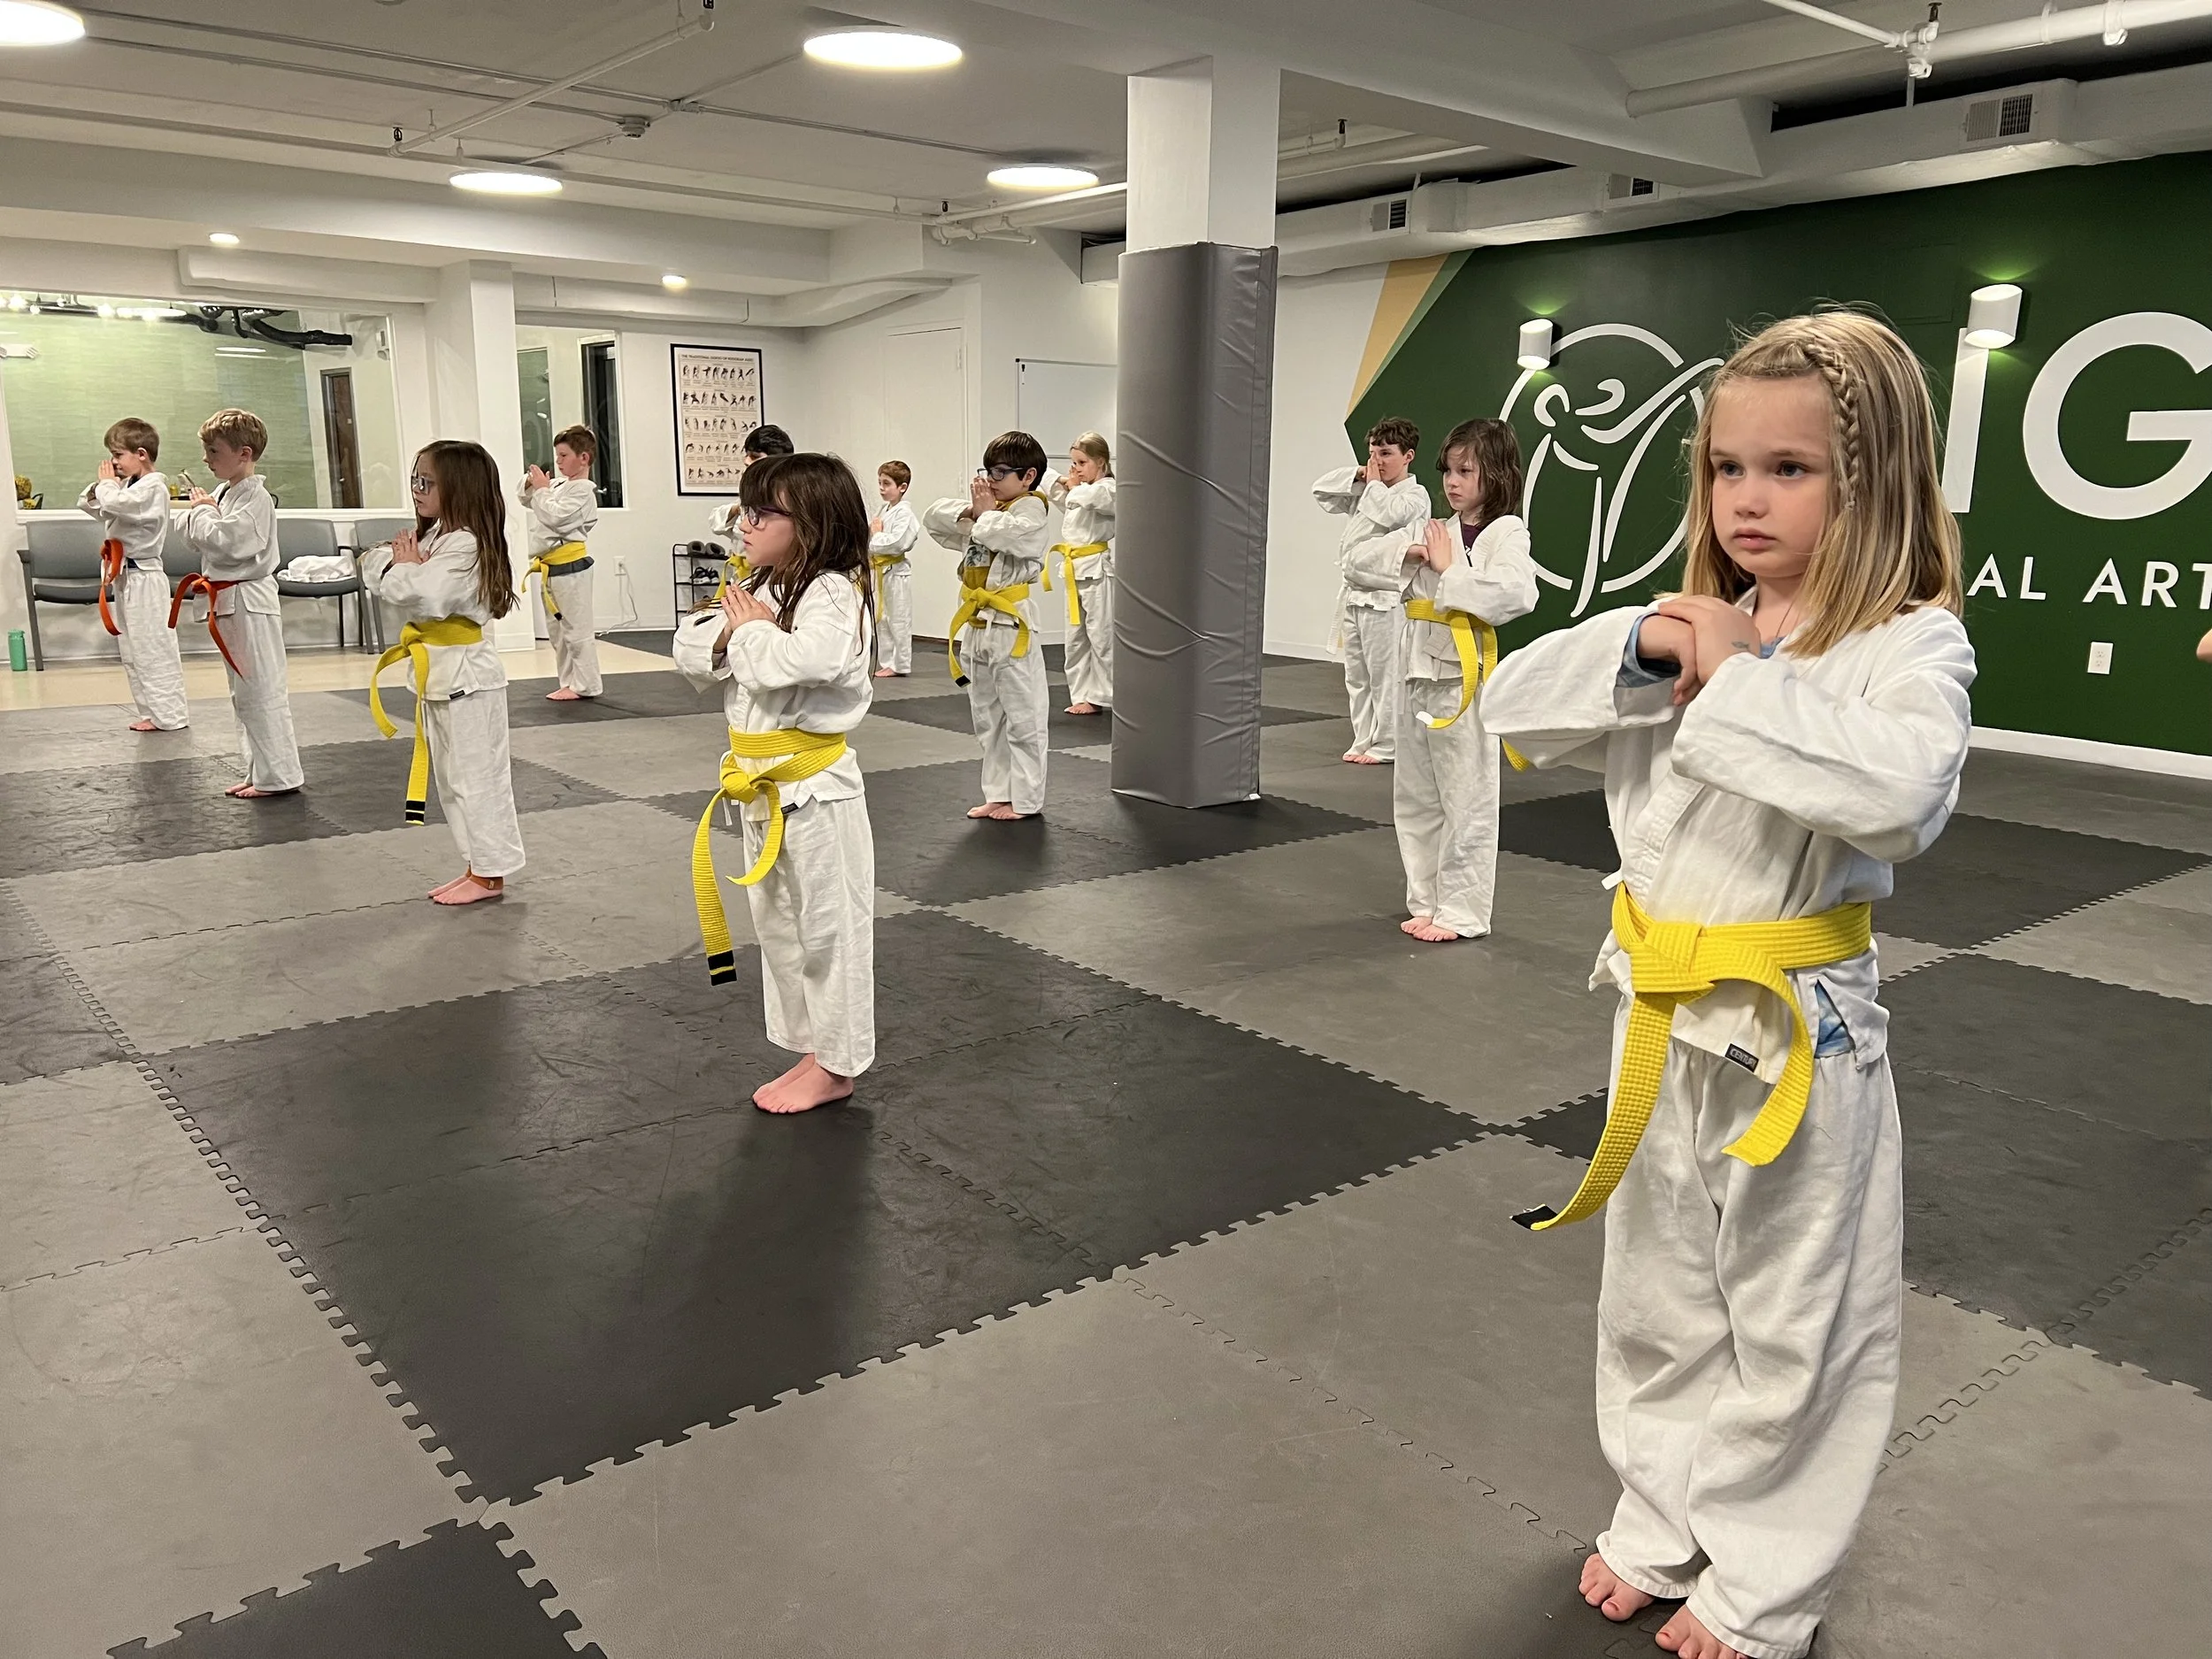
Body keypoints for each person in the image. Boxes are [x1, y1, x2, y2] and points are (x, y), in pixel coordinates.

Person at [1482, 311, 1975, 1659]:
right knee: (1656, 1298)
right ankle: (1658, 1520)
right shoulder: (1707, 616)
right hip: (1665, 1016)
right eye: (1724, 469)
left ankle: (1761, 1582)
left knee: (1795, 1318)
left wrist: (1740, 680)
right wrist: (1652, 649)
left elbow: (1901, 795)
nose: (1747, 499)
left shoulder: (1910, 644)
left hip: (1799, 1042)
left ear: (1871, 480)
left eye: (1790, 469)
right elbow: (1511, 707)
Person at [673, 453, 875, 1115]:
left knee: (829, 929)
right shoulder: (764, 585)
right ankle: (813, 1048)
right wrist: (745, 633)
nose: (746, 523)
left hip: (817, 788)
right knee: (783, 926)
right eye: (745, 510)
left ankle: (840, 1062)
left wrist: (750, 636)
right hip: (762, 789)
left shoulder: (834, 591)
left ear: (811, 521)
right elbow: (691, 643)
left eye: (763, 512)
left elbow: (806, 659)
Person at [362, 442, 526, 906]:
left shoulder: (467, 543)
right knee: (453, 781)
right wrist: (406, 565)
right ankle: (477, 866)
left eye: (426, 482)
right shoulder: (436, 539)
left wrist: (408, 568)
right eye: (415, 480)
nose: (416, 490)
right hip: (439, 675)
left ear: (459, 487)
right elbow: (373, 562)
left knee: (479, 779)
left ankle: (491, 873)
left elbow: (425, 595)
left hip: (468, 680)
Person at [1394, 419, 1539, 942]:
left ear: (1495, 474)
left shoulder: (1507, 532)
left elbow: (1518, 595)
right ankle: (1426, 900)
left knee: (1466, 798)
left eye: (1465, 471)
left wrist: (1450, 572)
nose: (1452, 482)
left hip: (1464, 678)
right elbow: (1360, 565)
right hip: (1415, 671)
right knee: (1416, 796)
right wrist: (1405, 555)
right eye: (1448, 471)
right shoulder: (1437, 528)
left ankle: (1462, 911)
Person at [173, 408, 303, 797]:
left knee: (261, 689)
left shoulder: (257, 498)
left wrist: (203, 516)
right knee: (243, 694)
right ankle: (258, 770)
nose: (206, 459)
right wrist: (203, 513)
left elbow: (227, 542)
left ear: (244, 453)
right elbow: (191, 530)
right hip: (229, 599)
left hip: (250, 600)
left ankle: (278, 777)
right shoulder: (225, 492)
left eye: (214, 451)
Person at [922, 431, 1052, 820]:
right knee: (987, 716)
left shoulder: (1031, 509)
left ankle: (1025, 799)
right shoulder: (990, 510)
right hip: (977, 625)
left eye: (1000, 472)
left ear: (1028, 476)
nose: (991, 480)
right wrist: (975, 511)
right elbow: (934, 518)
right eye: (988, 471)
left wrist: (982, 514)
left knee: (1023, 717)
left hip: (1012, 625)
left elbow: (1017, 539)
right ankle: (999, 793)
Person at [1315, 416, 1430, 764]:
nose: (1377, 461)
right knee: (1357, 675)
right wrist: (1360, 475)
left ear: (1408, 456)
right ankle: (1362, 737)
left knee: (1386, 676)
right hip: (1353, 595)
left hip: (1386, 598)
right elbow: (1321, 490)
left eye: (1385, 453)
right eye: (1372, 453)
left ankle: (1387, 744)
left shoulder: (1415, 497)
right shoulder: (1369, 487)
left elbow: (1392, 515)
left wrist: (1374, 484)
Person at [79, 417, 188, 733]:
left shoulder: (153, 487)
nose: (113, 462)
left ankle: (171, 715)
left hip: (145, 577)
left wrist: (108, 486)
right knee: (132, 649)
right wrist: (106, 484)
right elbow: (94, 507)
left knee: (153, 647)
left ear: (141, 453)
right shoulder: (129, 486)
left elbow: (117, 504)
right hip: (126, 576)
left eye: (118, 455)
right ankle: (152, 712)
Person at [518, 424, 603, 702]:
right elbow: (524, 497)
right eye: (557, 455)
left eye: (564, 455)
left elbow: (555, 517)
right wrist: (533, 484)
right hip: (550, 569)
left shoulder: (583, 494)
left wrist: (541, 491)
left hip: (571, 567)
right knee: (558, 632)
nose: (558, 461)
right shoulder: (557, 485)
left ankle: (587, 684)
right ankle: (569, 682)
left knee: (577, 631)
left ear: (584, 458)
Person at [1046, 432, 1118, 715]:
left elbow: (1089, 497)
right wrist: (1067, 481)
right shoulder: (1079, 490)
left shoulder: (1108, 489)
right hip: (1073, 571)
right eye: (1073, 462)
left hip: (1097, 571)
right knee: (1076, 638)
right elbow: (1047, 481)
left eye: (1082, 462)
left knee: (1102, 637)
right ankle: (1081, 694)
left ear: (1100, 462)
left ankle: (1106, 695)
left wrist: (1073, 486)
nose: (1075, 469)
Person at [707, 424, 795, 595]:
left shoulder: (789, 502)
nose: (746, 461)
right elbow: (717, 522)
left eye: (754, 456)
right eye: (746, 454)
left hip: (772, 580)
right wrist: (735, 510)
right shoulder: (746, 499)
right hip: (741, 579)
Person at [869, 459, 919, 678]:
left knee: (898, 619)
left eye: (886, 483)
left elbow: (898, 542)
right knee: (883, 618)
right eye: (880, 483)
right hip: (881, 570)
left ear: (902, 487)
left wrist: (877, 534)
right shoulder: (884, 509)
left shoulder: (905, 514)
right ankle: (888, 661)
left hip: (896, 571)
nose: (881, 488)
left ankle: (901, 664)